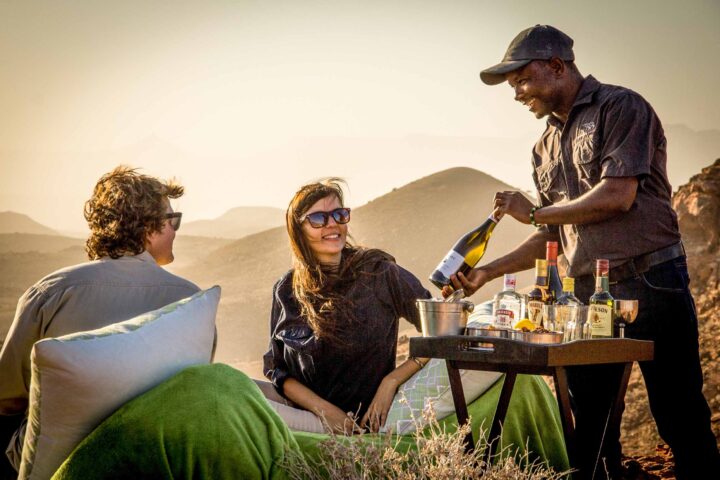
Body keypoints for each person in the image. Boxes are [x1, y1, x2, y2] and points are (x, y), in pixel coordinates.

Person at [444, 24, 720, 479]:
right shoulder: (543, 146)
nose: (517, 93)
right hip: (589, 296)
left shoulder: (621, 107)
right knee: (590, 422)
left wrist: (534, 213)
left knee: (678, 412)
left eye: (522, 80)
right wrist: (487, 271)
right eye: (512, 85)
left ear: (556, 65)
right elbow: (557, 236)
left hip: (651, 279)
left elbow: (617, 196)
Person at [0, 166, 201, 476]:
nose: (176, 230)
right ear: (148, 227)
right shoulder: (192, 300)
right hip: (156, 462)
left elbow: (7, 397)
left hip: (53, 463)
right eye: (172, 220)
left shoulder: (50, 292)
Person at [261, 179, 432, 435]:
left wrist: (392, 381)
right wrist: (324, 411)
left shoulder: (380, 272)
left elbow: (443, 328)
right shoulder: (286, 289)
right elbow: (276, 369)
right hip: (308, 419)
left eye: (339, 215)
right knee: (231, 390)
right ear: (298, 230)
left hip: (365, 424)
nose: (332, 224)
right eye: (318, 218)